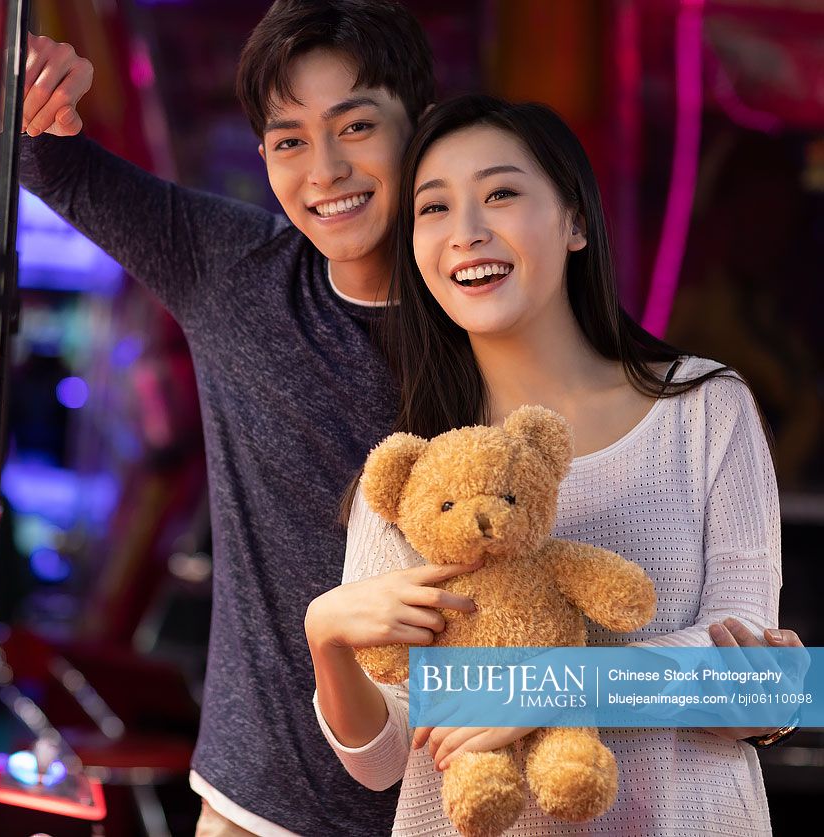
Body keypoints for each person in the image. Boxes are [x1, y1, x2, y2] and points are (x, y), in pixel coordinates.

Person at [0, 3, 802, 833]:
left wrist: (615, 688)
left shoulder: (649, 392)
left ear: (420, 130)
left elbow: (761, 685)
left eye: (356, 126)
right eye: (290, 139)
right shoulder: (347, 378)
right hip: (279, 807)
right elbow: (46, 155)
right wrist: (6, 81)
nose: (325, 170)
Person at [303, 94, 803, 836]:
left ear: (574, 221)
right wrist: (324, 638)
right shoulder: (417, 473)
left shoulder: (704, 408)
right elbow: (381, 759)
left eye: (500, 193)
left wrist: (542, 689)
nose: (466, 233)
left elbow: (743, 673)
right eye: (432, 209)